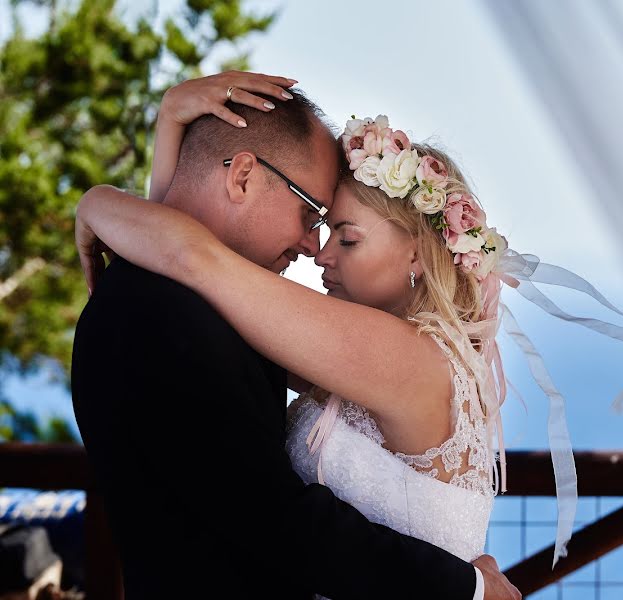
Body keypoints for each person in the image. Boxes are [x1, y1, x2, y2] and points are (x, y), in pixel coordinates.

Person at [71, 71, 520, 600]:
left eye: (343, 237)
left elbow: (193, 258)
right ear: (241, 177)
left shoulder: (403, 356)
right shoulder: (186, 316)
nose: (317, 251)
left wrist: (97, 201)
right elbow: (187, 267)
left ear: (417, 253)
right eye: (316, 222)